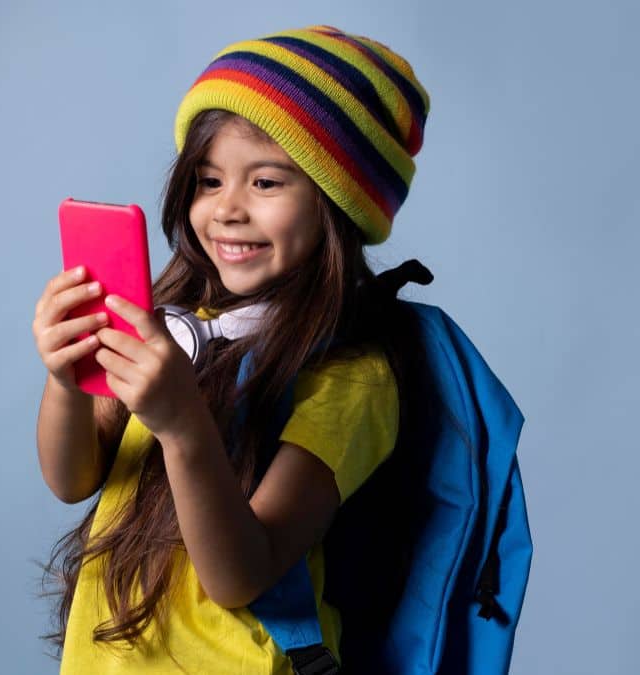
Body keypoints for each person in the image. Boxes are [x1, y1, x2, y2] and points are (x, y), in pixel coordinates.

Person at [32, 24, 431, 674]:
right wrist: (65, 378)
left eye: (266, 183)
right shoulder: (176, 326)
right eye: (209, 180)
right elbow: (72, 478)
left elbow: (242, 573)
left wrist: (183, 425)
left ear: (338, 205)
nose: (227, 210)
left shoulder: (351, 374)